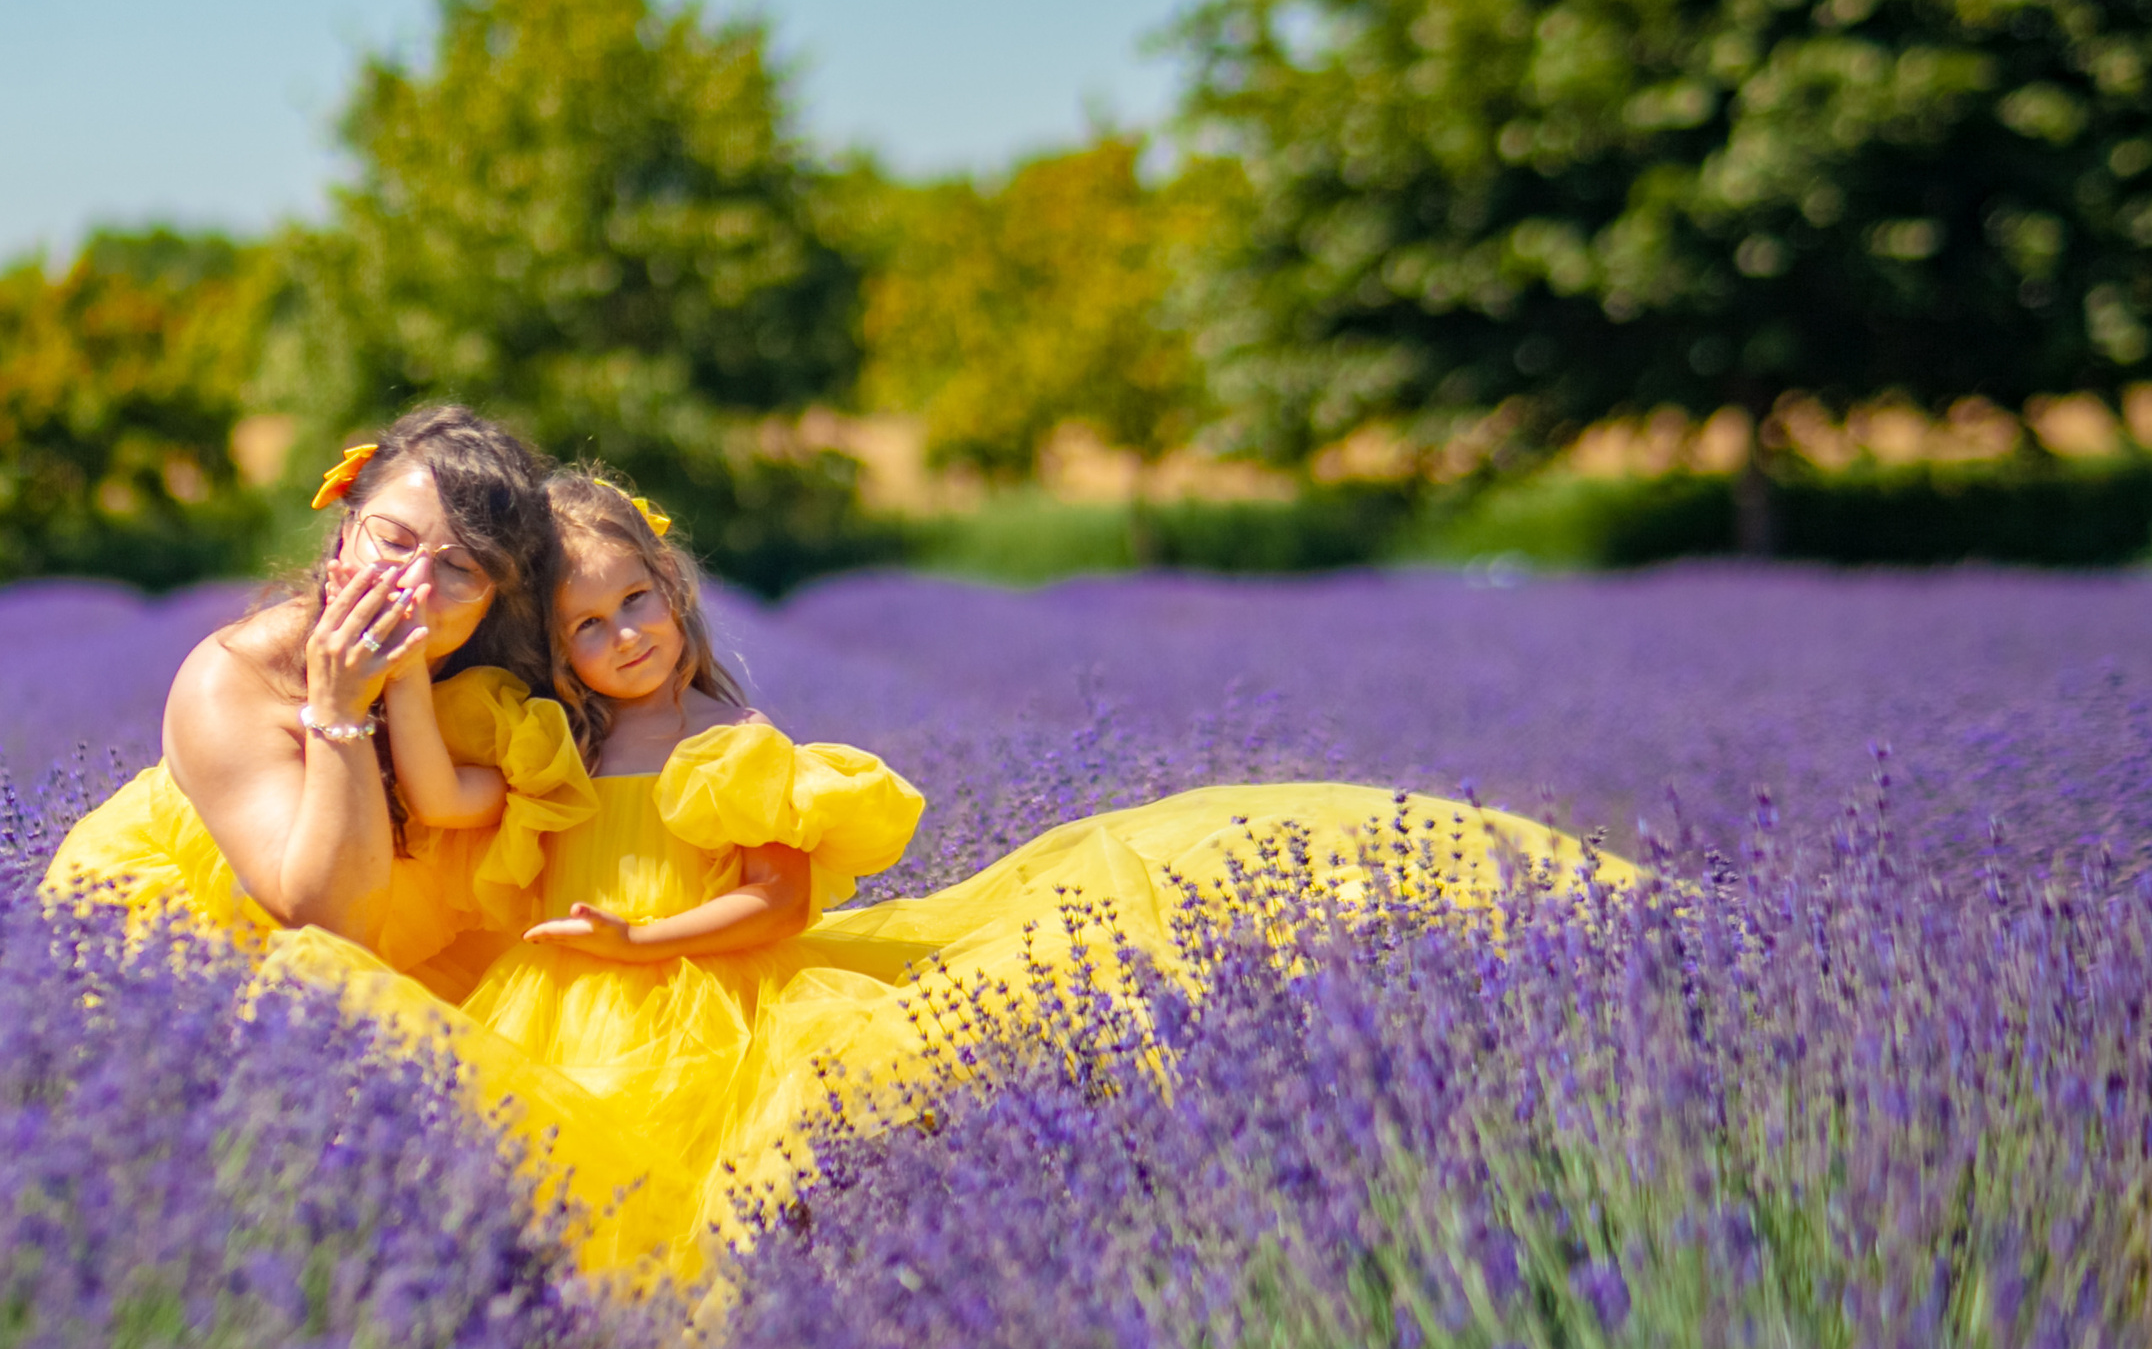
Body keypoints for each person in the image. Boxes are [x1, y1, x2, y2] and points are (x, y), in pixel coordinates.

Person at [267, 472, 1636, 1285]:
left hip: (700, 1002)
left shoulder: (724, 744)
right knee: (547, 1193)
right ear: (557, 655)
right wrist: (383, 676)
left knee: (698, 1212)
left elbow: (785, 904)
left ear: (679, 600)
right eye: (594, 624)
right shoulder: (546, 739)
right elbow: (446, 798)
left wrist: (648, 936)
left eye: (646, 605)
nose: (631, 636)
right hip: (558, 1005)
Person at [44, 405, 595, 999]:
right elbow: (327, 924)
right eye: (392, 540)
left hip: (408, 962)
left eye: (460, 567)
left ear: (496, 598)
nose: (412, 585)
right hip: (196, 963)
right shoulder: (234, 678)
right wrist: (340, 712)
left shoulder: (496, 682)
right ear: (346, 529)